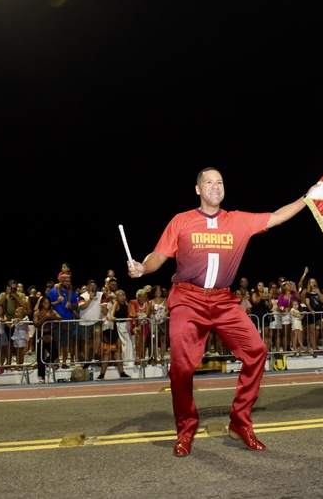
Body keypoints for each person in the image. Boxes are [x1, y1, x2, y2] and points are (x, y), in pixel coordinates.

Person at [126, 167, 310, 457]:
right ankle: (186, 429)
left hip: (224, 301)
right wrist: (142, 268)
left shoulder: (238, 220)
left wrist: (307, 198)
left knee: (257, 351)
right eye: (209, 182)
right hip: (188, 299)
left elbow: (277, 216)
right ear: (198, 189)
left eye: (220, 182)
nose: (215, 186)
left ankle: (240, 421)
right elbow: (158, 256)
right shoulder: (181, 220)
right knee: (181, 367)